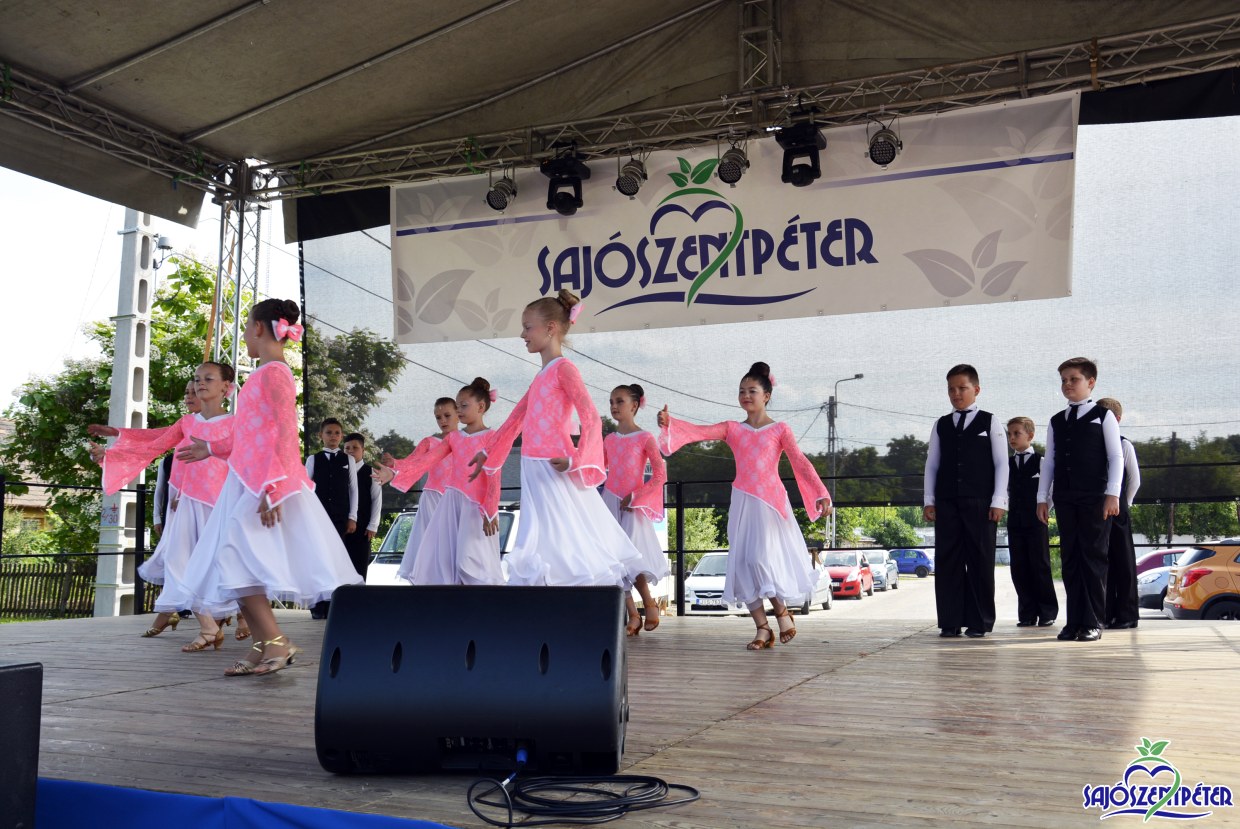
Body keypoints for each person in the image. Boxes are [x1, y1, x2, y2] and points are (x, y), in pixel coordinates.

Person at [176, 299, 362, 676]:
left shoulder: (275, 373)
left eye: (246, 327)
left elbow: (284, 433)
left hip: (264, 482)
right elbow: (248, 434)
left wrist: (273, 487)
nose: (245, 334)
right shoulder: (263, 373)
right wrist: (211, 447)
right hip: (246, 480)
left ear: (259, 328)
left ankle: (275, 642)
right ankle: (264, 644)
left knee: (233, 557)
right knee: (235, 563)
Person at [470, 289, 644, 590]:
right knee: (544, 542)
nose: (522, 334)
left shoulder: (564, 369)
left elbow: (590, 416)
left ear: (550, 328)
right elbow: (516, 419)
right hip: (533, 466)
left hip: (553, 465)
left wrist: (578, 460)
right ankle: (551, 605)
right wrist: (489, 452)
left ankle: (581, 604)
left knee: (566, 541)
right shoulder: (542, 375)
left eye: (528, 327)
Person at [657, 362, 832, 650]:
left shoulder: (780, 429)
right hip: (742, 501)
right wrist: (670, 423)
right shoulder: (732, 429)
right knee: (743, 563)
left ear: (767, 396)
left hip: (770, 503)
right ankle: (762, 628)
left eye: (752, 391)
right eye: (741, 391)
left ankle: (782, 613)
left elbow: (799, 461)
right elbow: (699, 432)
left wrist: (820, 493)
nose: (746, 395)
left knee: (760, 559)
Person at [88, 365, 238, 648]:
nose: (200, 383)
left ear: (226, 387)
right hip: (188, 502)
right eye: (197, 379)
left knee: (222, 564)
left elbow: (251, 460)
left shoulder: (236, 423)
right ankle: (208, 626)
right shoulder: (187, 422)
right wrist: (111, 448)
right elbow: (154, 444)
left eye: (208, 379)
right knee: (177, 562)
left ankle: (252, 628)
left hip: (221, 504)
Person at [378, 378, 504, 585]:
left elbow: (494, 475)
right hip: (451, 503)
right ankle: (451, 601)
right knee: (445, 559)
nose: (459, 410)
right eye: (458, 406)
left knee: (469, 560)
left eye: (464, 406)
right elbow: (426, 460)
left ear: (481, 407)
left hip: (476, 505)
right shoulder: (454, 438)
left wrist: (490, 509)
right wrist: (394, 472)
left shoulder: (492, 437)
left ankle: (481, 600)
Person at [1037, 357, 1124, 643]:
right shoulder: (1056, 421)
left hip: (1095, 498)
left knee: (1093, 558)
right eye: (1063, 380)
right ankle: (1073, 621)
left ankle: (1093, 621)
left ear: (1091, 382)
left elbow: (1116, 457)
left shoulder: (1103, 416)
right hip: (1065, 497)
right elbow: (1050, 462)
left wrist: (1113, 493)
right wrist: (1042, 498)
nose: (1067, 384)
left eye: (1073, 379)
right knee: (1070, 558)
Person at [923, 364, 1008, 638]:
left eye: (962, 388)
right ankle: (950, 621)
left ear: (976, 389)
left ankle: (980, 622)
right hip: (947, 502)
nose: (956, 394)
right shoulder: (941, 424)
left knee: (980, 560)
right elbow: (932, 464)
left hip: (981, 502)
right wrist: (929, 500)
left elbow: (1002, 463)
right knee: (948, 560)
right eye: (951, 389)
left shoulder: (990, 421)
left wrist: (999, 500)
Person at [603, 383, 669, 636]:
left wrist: (636, 496)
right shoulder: (609, 439)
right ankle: (632, 614)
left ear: (634, 405)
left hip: (633, 504)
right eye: (611, 401)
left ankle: (649, 603)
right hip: (610, 502)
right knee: (613, 560)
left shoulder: (645, 438)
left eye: (619, 401)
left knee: (631, 559)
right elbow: (597, 466)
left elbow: (660, 475)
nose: (614, 406)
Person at [381, 398, 459, 583]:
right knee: (430, 543)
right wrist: (395, 465)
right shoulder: (430, 442)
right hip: (432, 496)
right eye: (438, 417)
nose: (443, 420)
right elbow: (413, 462)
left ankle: (452, 584)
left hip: (456, 498)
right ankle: (428, 583)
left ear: (458, 414)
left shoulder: (465, 440)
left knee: (453, 544)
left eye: (447, 415)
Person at [1004, 416, 1058, 628]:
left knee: (1040, 565)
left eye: (1016, 433)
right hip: (1015, 521)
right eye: (1009, 434)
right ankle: (1027, 613)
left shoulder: (1041, 462)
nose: (1012, 438)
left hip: (1036, 521)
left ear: (1030, 435)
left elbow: (1051, 490)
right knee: (1019, 567)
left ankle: (1047, 611)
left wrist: (1044, 509)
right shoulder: (1007, 465)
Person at [1095, 397, 1142, 630]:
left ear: (1118, 420)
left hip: (1117, 509)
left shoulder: (1124, 445)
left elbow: (1134, 480)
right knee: (1102, 562)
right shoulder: (1092, 445)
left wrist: (1124, 504)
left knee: (1123, 562)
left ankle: (1127, 614)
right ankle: (1106, 613)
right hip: (1096, 511)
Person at [305, 417, 357, 618]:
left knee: (336, 559)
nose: (333, 436)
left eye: (337, 433)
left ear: (341, 436)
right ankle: (317, 605)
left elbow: (353, 490)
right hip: (317, 517)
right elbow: (306, 488)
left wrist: (352, 516)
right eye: (329, 432)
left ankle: (335, 605)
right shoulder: (313, 459)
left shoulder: (348, 460)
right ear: (321, 435)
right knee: (318, 558)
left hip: (339, 517)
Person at [342, 432, 382, 581]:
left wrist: (373, 525)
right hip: (341, 524)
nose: (351, 451)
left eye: (355, 448)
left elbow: (377, 499)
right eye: (347, 448)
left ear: (363, 450)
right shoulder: (339, 471)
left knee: (359, 565)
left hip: (363, 526)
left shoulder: (371, 472)